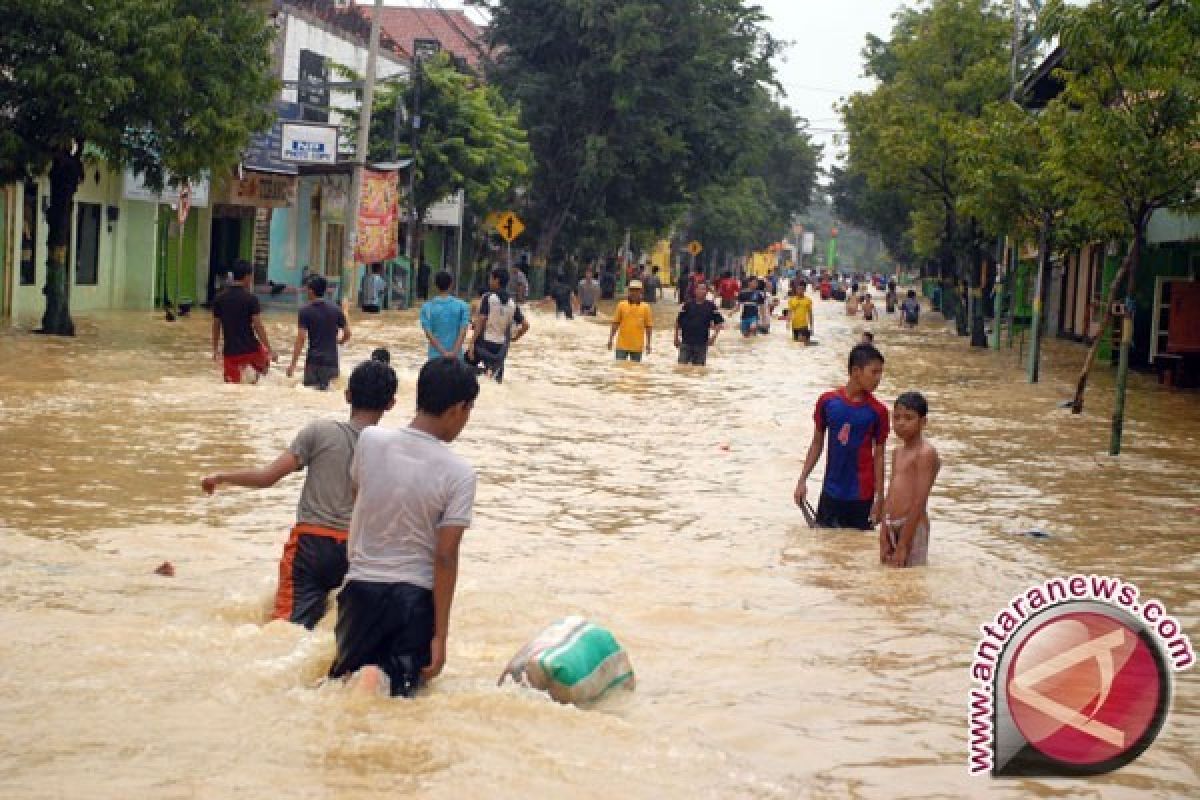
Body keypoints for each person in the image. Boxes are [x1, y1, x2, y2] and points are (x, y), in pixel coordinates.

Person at [200, 355, 398, 629]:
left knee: (286, 630)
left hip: (311, 546)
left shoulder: (319, 432)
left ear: (347, 395)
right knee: (344, 630)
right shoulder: (391, 450)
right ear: (390, 404)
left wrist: (221, 476)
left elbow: (267, 477)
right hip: (359, 551)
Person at [327, 357, 479, 697]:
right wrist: (440, 636)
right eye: (469, 412)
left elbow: (359, 495)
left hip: (359, 593)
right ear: (456, 409)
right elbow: (445, 556)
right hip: (413, 600)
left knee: (347, 687)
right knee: (403, 700)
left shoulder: (370, 441)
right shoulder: (459, 473)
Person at [793, 344, 889, 530]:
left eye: (880, 373)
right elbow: (817, 443)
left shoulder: (879, 411)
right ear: (855, 371)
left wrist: (880, 498)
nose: (878, 379)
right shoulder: (828, 402)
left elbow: (879, 456)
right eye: (874, 372)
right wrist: (802, 480)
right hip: (831, 492)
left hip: (862, 496)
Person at [880, 392, 941, 567]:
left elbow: (919, 501)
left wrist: (903, 543)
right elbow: (890, 492)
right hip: (892, 523)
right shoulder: (897, 452)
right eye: (896, 417)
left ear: (923, 422)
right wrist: (883, 533)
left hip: (913, 527)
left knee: (911, 580)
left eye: (909, 418)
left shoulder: (925, 453)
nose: (901, 423)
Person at [212, 260, 275, 384]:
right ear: (247, 276)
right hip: (252, 350)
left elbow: (216, 326)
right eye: (251, 276)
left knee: (232, 386)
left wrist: (215, 349)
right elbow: (258, 326)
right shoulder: (251, 299)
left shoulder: (219, 299)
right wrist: (269, 349)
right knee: (259, 378)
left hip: (230, 353)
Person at [287, 275, 350, 390]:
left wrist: (293, 364)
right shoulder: (336, 309)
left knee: (309, 394)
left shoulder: (305, 311)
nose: (306, 292)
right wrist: (340, 342)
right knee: (329, 393)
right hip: (331, 362)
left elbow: (301, 339)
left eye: (307, 289)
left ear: (311, 291)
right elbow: (348, 333)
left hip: (313, 362)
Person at [467, 268, 530, 383]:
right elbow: (525, 325)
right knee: (496, 381)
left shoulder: (488, 298)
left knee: (465, 368)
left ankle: (483, 375)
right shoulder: (512, 303)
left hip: (483, 343)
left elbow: (481, 320)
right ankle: (487, 374)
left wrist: (471, 343)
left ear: (497, 280)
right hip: (500, 348)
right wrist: (515, 338)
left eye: (491, 278)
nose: (490, 281)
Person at [419, 270, 472, 361]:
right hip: (456, 358)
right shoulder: (463, 306)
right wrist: (454, 352)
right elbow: (463, 331)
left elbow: (429, 334)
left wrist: (443, 353)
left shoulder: (426, 307)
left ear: (435, 285)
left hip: (435, 357)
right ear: (451, 284)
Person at [674, 280, 724, 365]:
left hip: (701, 344)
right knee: (681, 367)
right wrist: (675, 338)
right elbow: (678, 321)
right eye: (700, 289)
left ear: (707, 292)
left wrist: (714, 337)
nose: (702, 291)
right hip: (686, 342)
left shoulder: (711, 306)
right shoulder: (687, 305)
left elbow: (719, 323)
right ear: (695, 291)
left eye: (704, 289)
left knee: (699, 369)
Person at [608, 279, 653, 361]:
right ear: (629, 291)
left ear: (641, 291)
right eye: (632, 290)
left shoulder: (646, 307)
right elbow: (615, 323)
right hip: (621, 345)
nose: (634, 293)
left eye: (636, 290)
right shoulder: (621, 305)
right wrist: (610, 339)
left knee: (635, 371)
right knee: (619, 369)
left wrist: (648, 344)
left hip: (637, 346)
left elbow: (648, 327)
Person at [788, 280, 814, 345]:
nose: (800, 291)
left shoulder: (808, 300)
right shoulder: (792, 300)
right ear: (796, 290)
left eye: (802, 289)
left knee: (804, 343)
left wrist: (811, 327)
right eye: (798, 289)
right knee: (796, 342)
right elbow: (790, 312)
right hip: (794, 325)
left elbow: (810, 314)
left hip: (804, 325)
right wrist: (788, 322)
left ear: (804, 290)